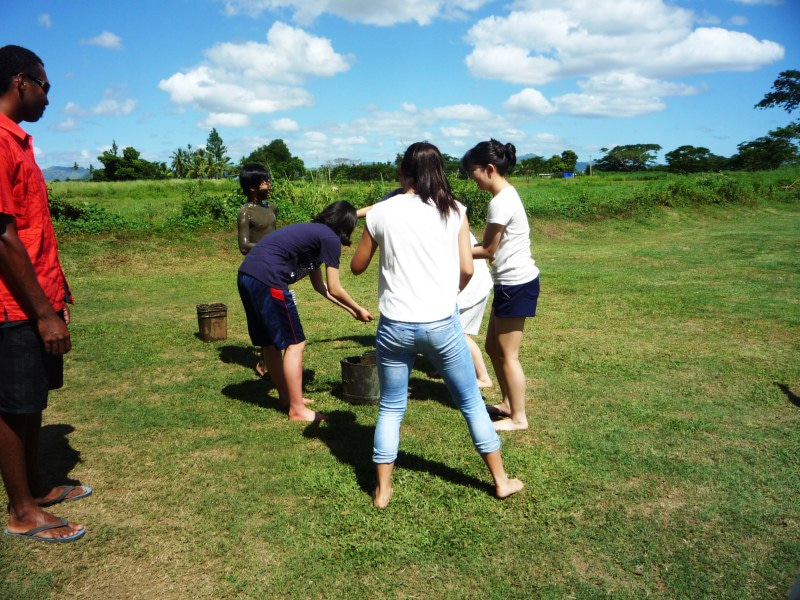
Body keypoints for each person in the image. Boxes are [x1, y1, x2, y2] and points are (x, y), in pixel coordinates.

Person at [351, 141, 523, 508]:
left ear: (403, 172)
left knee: (391, 407)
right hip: (441, 323)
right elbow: (467, 268)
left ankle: (382, 490)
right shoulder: (454, 210)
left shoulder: (381, 212)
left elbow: (357, 266)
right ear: (440, 171)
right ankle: (501, 481)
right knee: (471, 403)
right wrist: (449, 294)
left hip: (394, 325)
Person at [0, 45, 91, 543]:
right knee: (13, 404)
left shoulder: (19, 143)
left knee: (31, 398)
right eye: (45, 86)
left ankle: (34, 487)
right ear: (21, 82)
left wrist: (55, 302)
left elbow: (31, 230)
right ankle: (21, 511)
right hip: (12, 305)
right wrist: (43, 313)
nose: (48, 98)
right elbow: (2, 235)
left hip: (35, 298)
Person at [238, 200, 372, 423]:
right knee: (296, 344)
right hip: (269, 280)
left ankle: (287, 398)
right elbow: (336, 287)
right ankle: (297, 410)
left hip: (247, 276)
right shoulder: (329, 238)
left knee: (270, 344)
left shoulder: (314, 234)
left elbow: (321, 287)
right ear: (347, 226)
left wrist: (351, 311)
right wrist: (358, 307)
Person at [462, 139, 540, 432]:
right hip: (509, 283)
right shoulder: (505, 196)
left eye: (473, 172)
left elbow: (488, 250)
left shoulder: (500, 202)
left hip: (516, 283)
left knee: (509, 354)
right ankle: (507, 404)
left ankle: (518, 417)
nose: (472, 178)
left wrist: (451, 250)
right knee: (493, 347)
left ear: (489, 169)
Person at [237, 163, 278, 378]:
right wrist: (270, 247)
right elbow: (244, 246)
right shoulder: (245, 213)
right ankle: (265, 361)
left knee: (276, 312)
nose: (269, 185)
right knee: (263, 315)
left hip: (275, 268)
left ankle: (273, 358)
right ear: (252, 187)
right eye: (264, 182)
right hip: (257, 271)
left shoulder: (272, 208)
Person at [458, 232, 494, 388]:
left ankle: (483, 377)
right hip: (469, 282)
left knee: (458, 332)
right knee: (452, 331)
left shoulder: (448, 223)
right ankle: (450, 367)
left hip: (471, 285)